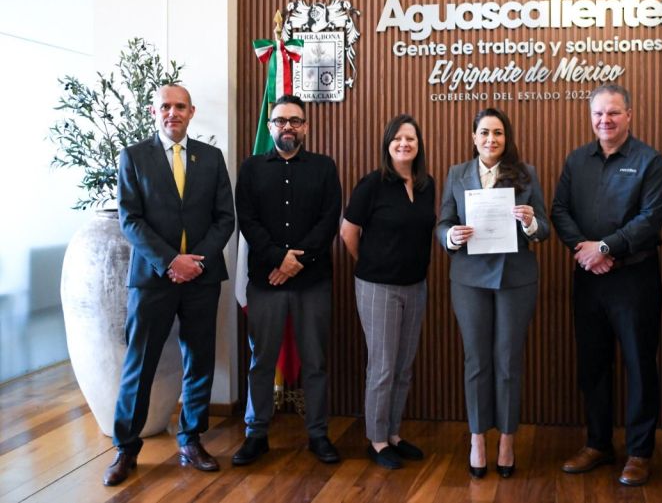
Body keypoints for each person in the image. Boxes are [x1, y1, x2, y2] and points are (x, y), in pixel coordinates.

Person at [104, 84, 235, 486]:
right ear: (154, 111)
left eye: (180, 106)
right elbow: (130, 219)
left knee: (199, 360)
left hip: (201, 277)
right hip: (152, 279)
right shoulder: (133, 157)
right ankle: (126, 449)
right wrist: (170, 261)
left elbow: (225, 218)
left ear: (191, 112)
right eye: (165, 106)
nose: (172, 113)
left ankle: (191, 440)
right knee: (139, 363)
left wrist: (194, 262)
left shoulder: (211, 158)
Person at [551, 84, 662, 487]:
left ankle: (639, 452)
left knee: (639, 364)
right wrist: (585, 251)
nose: (605, 120)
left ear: (629, 115)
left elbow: (651, 218)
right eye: (599, 113)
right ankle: (598, 443)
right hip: (588, 279)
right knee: (593, 364)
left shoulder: (650, 161)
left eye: (614, 112)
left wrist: (604, 248)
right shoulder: (576, 160)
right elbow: (560, 210)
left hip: (635, 279)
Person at [437, 108, 550, 479]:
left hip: (516, 278)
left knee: (508, 361)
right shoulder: (457, 174)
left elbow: (544, 228)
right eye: (484, 132)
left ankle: (506, 439)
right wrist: (450, 236)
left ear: (506, 137)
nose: (491, 139)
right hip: (469, 279)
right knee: (476, 361)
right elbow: (443, 223)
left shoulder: (526, 173)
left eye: (498, 133)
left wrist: (530, 222)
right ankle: (477, 438)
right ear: (474, 137)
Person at [232, 94, 342, 466]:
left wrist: (297, 261)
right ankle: (256, 433)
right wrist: (279, 258)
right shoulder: (251, 168)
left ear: (305, 126)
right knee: (261, 361)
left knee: (315, 362)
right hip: (267, 282)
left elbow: (328, 220)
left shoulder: (324, 168)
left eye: (295, 120)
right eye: (280, 121)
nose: (288, 127)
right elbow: (247, 221)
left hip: (313, 282)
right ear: (270, 127)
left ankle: (318, 434)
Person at [340, 114, 436, 470]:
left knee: (403, 367)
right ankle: (377, 440)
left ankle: (394, 434)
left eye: (410, 138)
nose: (404, 144)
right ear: (387, 144)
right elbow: (348, 232)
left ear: (419, 145)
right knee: (382, 367)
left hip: (416, 286)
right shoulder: (372, 184)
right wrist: (370, 264)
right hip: (377, 287)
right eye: (397, 139)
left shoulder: (426, 185)